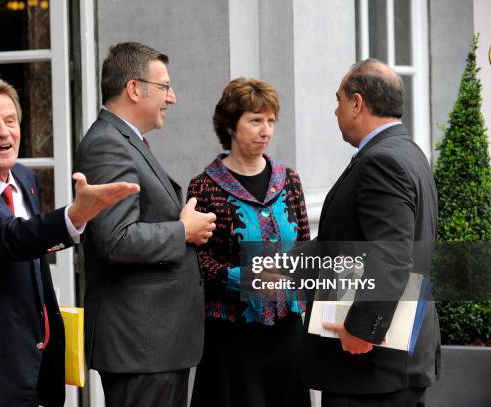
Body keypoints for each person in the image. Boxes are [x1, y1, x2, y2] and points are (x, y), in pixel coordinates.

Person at [0, 75, 139, 407]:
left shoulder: (24, 178)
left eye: (10, 120)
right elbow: (11, 238)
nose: (4, 131)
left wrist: (73, 224)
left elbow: (34, 246)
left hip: (38, 358)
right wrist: (74, 215)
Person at [73, 42, 216, 407]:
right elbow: (117, 240)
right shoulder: (107, 145)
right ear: (134, 89)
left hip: (156, 344)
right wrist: (183, 231)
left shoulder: (126, 141)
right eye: (165, 87)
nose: (173, 98)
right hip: (141, 345)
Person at [299, 59, 441, 406]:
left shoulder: (382, 161)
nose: (336, 111)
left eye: (339, 101)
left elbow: (390, 257)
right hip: (389, 365)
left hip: (373, 368)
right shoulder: (407, 151)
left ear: (357, 103)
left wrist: (362, 330)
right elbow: (349, 242)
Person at [187, 78, 311, 407]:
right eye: (255, 120)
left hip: (287, 332)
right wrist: (241, 278)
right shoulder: (205, 186)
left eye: (270, 121)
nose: (265, 130)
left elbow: (304, 245)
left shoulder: (289, 180)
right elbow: (197, 260)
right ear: (230, 124)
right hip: (233, 337)